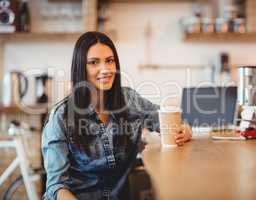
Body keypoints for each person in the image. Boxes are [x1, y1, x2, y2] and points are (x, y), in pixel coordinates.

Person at [42, 31, 192, 200]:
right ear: (80, 68)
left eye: (109, 61)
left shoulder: (130, 100)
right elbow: (56, 186)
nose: (105, 69)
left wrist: (184, 129)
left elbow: (169, 122)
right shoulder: (61, 117)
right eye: (94, 62)